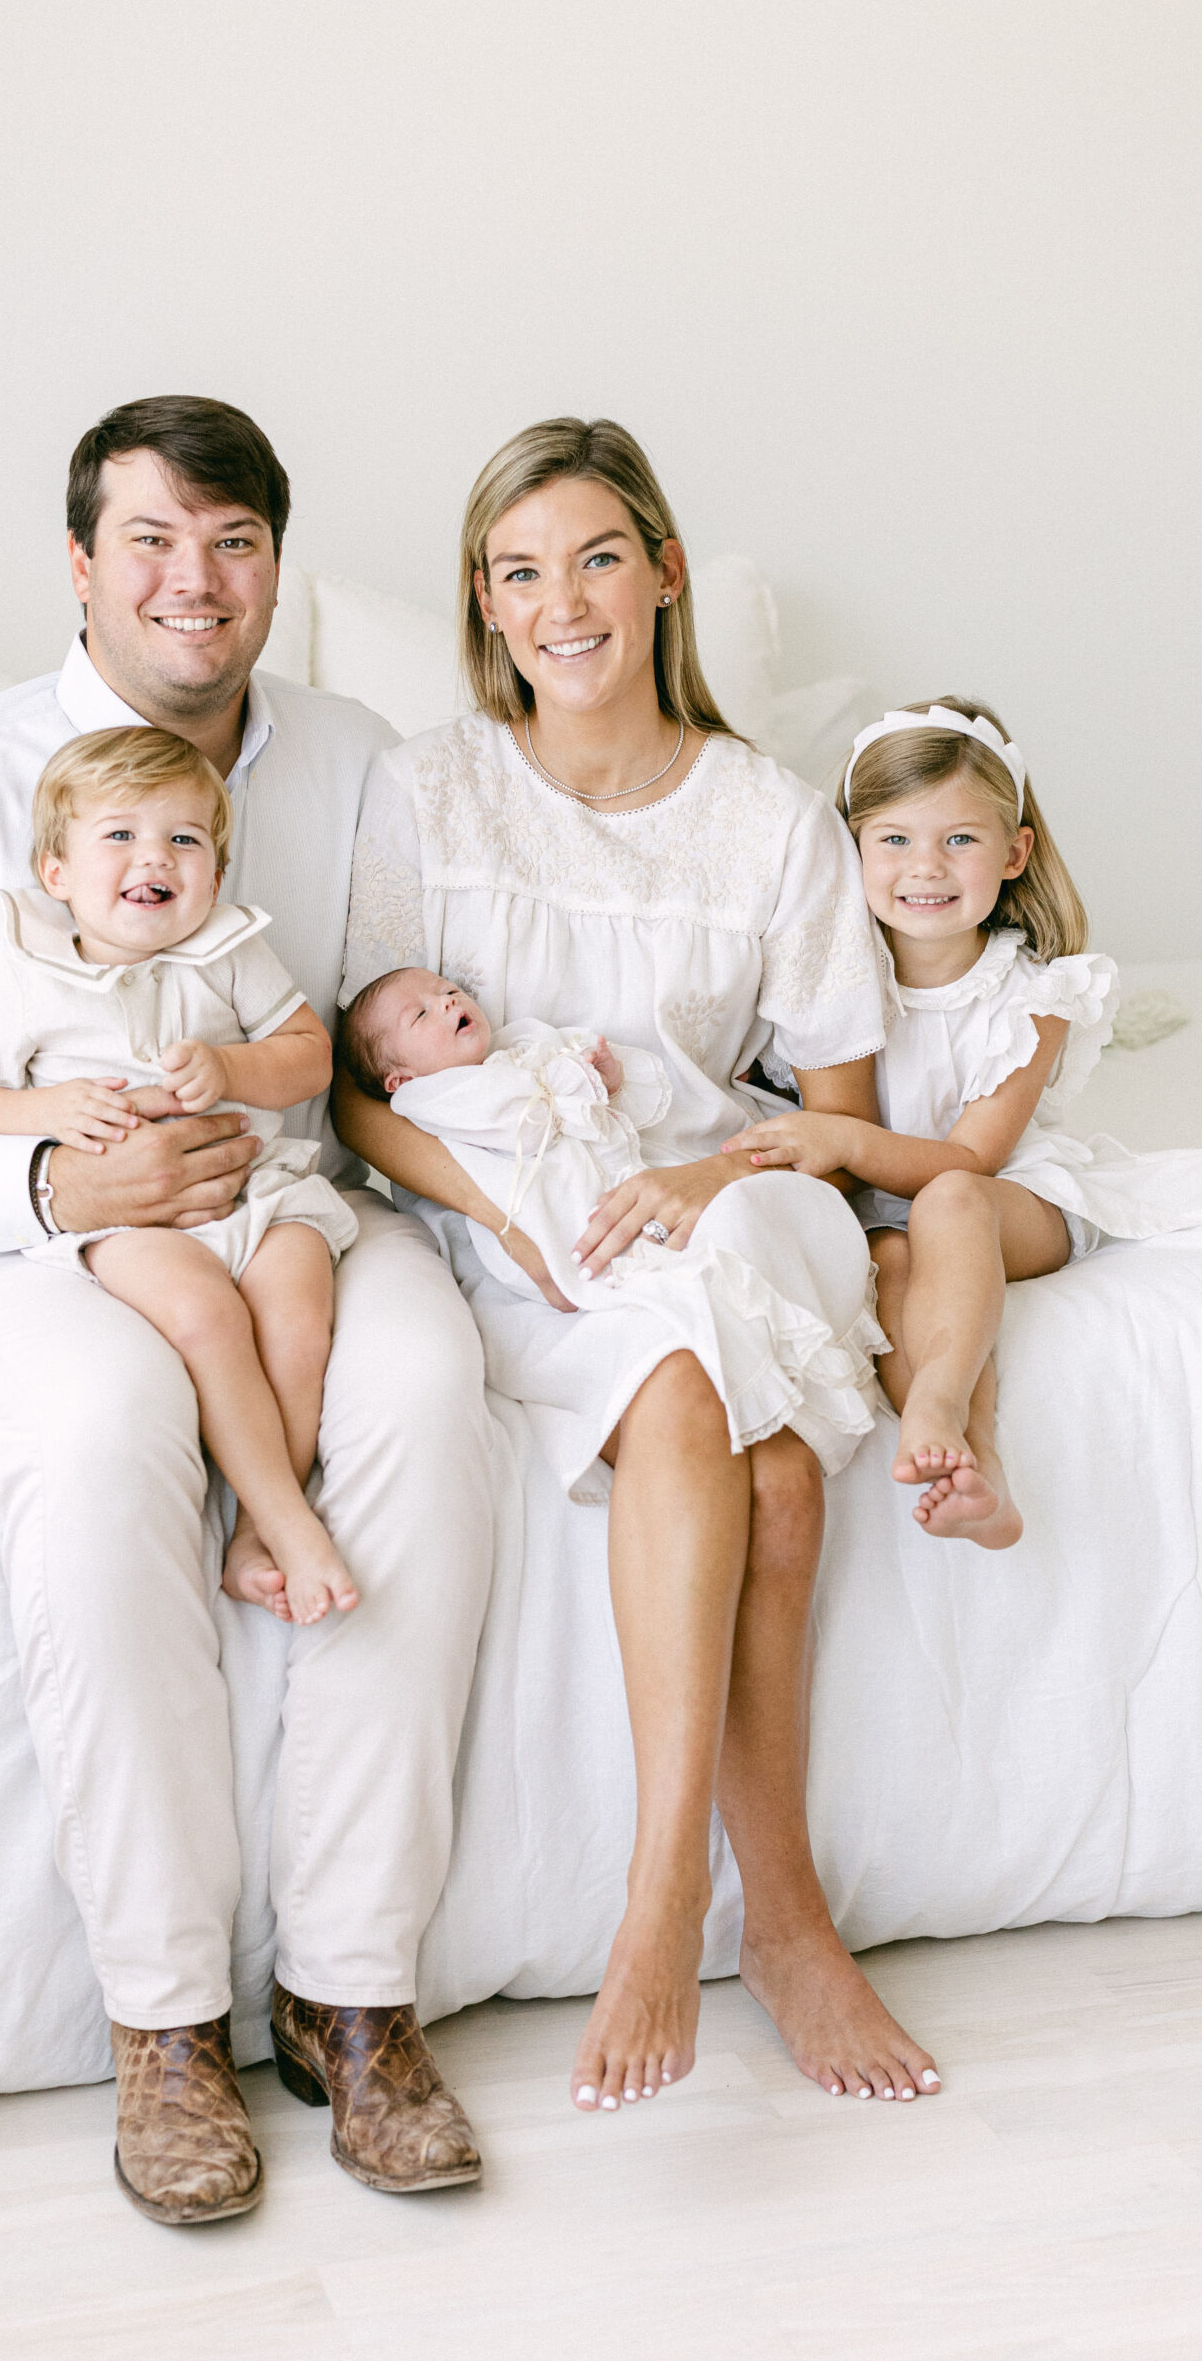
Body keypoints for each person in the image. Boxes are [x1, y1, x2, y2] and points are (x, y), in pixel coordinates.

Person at [0, 396, 493, 2224]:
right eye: (152, 541)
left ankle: (353, 1990)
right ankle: (164, 2021)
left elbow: (379, 1005)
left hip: (278, 1196)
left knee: (417, 1391)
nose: (197, 581)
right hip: (25, 1237)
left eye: (235, 542)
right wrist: (45, 1184)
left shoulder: (351, 757)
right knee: (102, 1430)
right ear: (80, 566)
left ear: (276, 569)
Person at [335, 416, 944, 2117]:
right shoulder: (428, 786)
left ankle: (717, 1901)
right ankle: (733, 1905)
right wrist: (509, 1218)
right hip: (525, 1210)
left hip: (730, 1189)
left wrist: (693, 1174)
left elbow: (830, 1114)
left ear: (663, 573)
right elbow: (353, 1083)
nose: (563, 602)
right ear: (485, 605)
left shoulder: (766, 821)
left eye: (596, 556)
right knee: (722, 1437)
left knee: (750, 1423)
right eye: (520, 572)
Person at [727, 697, 1202, 1549]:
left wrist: (841, 1139)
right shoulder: (822, 984)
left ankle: (938, 1403)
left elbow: (971, 1156)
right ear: (848, 850)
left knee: (949, 1204)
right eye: (893, 840)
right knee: (878, 1258)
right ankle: (973, 1466)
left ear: (1013, 851)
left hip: (1009, 1198)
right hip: (886, 1209)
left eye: (959, 839)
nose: (926, 866)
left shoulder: (1033, 996)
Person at [0, 724, 360, 1622]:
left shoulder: (228, 947)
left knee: (297, 1310)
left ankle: (258, 1522)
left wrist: (232, 1070)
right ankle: (290, 1523)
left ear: (213, 869)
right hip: (124, 1220)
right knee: (208, 1316)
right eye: (120, 835)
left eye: (184, 839)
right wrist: (49, 1116)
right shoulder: (28, 969)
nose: (156, 858)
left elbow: (308, 1056)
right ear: (57, 874)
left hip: (249, 1187)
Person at [338, 971, 887, 1492]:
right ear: (399, 1079)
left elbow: (594, 1104)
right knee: (681, 1380)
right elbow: (517, 1117)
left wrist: (602, 1077)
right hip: (540, 1222)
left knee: (781, 1467)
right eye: (423, 1013)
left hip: (632, 1177)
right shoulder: (426, 1098)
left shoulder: (518, 1046)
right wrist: (564, 1081)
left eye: (449, 990)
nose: (449, 1002)